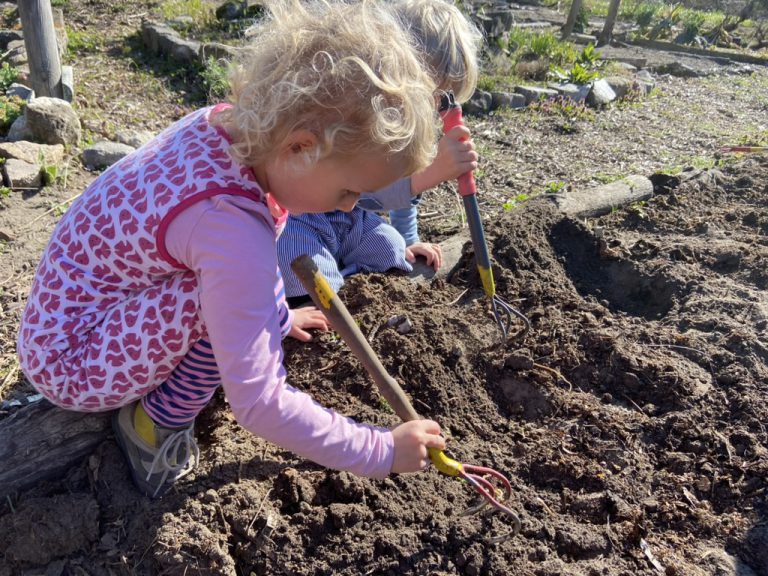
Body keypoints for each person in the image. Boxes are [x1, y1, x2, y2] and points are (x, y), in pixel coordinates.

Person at [16, 0, 446, 498]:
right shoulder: (230, 225)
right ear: (301, 148)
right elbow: (259, 403)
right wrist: (380, 451)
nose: (350, 209)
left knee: (242, 295)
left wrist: (275, 313)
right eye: (349, 191)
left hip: (67, 316)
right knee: (226, 300)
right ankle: (152, 428)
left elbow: (209, 256)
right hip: (72, 360)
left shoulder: (229, 127)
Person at [277, 0, 483, 307]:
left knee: (391, 247)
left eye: (440, 101)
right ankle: (307, 300)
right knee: (307, 268)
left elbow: (396, 178)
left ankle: (348, 275)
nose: (431, 108)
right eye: (429, 95)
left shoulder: (404, 113)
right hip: (300, 215)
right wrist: (428, 176)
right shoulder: (356, 105)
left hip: (346, 220)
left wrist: (409, 239)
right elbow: (358, 188)